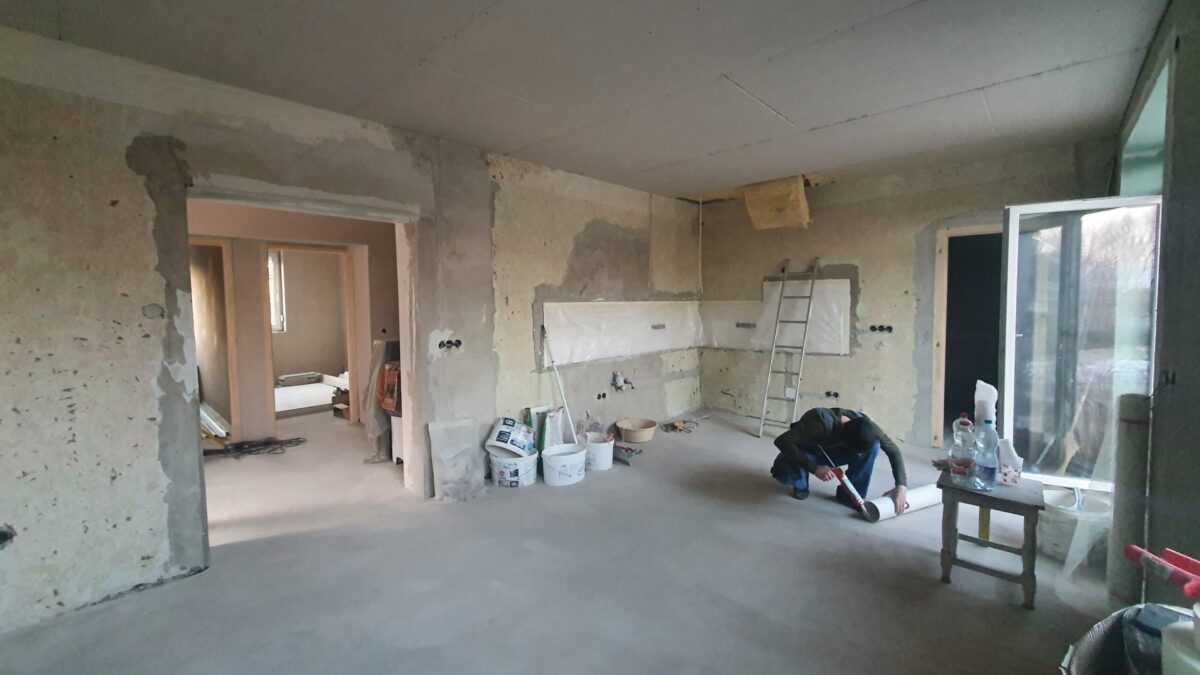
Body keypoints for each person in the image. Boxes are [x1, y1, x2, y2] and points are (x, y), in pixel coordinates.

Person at [771, 407, 908, 515]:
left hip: (833, 451)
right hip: (809, 451)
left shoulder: (867, 426)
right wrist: (814, 468)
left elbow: (893, 450)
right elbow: (782, 440)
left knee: (874, 446)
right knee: (783, 471)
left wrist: (901, 486)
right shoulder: (820, 423)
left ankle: (850, 495)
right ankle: (801, 481)